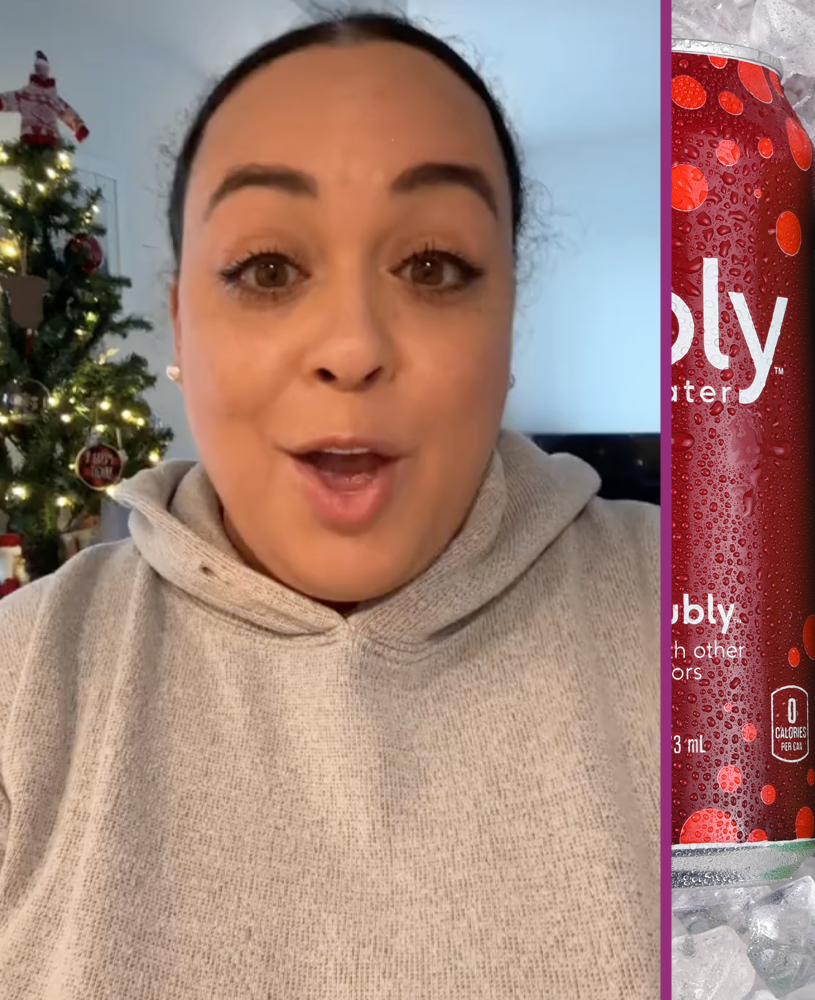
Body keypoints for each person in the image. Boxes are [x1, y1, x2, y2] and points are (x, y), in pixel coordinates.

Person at [0, 15, 660, 997]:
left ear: (508, 318)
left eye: (434, 266)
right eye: (269, 269)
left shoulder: (689, 614)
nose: (351, 346)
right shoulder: (22, 679)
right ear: (181, 321)